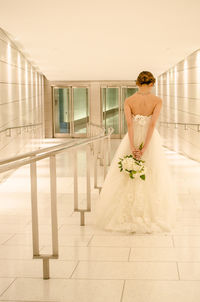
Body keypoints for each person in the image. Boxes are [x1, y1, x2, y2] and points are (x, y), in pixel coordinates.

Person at [92, 71, 180, 234]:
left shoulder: (129, 100)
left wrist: (133, 147)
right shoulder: (157, 101)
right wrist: (144, 148)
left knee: (126, 173)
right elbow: (152, 125)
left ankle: (125, 213)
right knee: (153, 173)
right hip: (150, 140)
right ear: (152, 84)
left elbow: (130, 125)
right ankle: (152, 213)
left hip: (131, 139)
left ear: (137, 83)